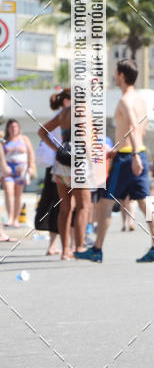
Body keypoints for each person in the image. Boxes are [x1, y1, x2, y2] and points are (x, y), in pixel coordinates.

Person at [75, 58, 154, 264]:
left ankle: (96, 249)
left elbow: (132, 127)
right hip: (135, 153)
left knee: (106, 203)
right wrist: (122, 150)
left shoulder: (125, 100)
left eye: (115, 73)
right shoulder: (140, 100)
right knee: (144, 203)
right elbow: (134, 130)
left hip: (128, 158)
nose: (114, 76)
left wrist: (131, 155)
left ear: (122, 76)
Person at [37, 91, 92, 260]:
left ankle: (65, 250)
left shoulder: (64, 112)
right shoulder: (85, 112)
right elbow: (85, 139)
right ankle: (79, 247)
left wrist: (57, 149)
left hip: (61, 164)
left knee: (65, 209)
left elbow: (41, 131)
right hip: (78, 163)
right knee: (83, 207)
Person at [34, 90, 68, 255]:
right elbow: (43, 131)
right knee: (59, 205)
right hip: (60, 165)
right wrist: (59, 150)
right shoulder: (63, 115)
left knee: (59, 205)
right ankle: (62, 246)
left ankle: (59, 245)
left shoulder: (65, 114)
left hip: (59, 165)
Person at [1, 119, 36, 231]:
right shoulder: (5, 140)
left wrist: (31, 167)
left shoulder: (24, 139)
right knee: (8, 191)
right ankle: (10, 217)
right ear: (8, 128)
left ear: (18, 128)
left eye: (16, 126)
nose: (14, 128)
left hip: (21, 168)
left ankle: (16, 219)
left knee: (18, 194)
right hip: (8, 169)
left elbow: (31, 153)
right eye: (11, 127)